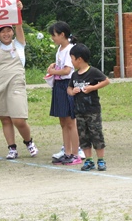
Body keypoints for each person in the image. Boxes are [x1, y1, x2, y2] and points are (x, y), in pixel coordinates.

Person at [0, 1, 38, 159]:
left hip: (16, 83)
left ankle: (29, 142)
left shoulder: (19, 45)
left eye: (9, 30)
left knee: (18, 118)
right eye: (2, 31)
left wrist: (18, 12)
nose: (6, 34)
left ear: (12, 32)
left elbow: (20, 27)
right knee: (5, 118)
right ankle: (11, 148)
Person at [67, 43, 110, 171]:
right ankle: (89, 160)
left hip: (93, 111)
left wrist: (93, 87)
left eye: (72, 59)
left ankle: (101, 160)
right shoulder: (74, 75)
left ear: (79, 59)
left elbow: (106, 81)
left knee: (96, 134)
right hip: (79, 112)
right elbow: (68, 88)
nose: (71, 61)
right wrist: (72, 91)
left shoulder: (93, 72)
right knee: (83, 136)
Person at [47, 21, 83, 165]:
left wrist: (53, 72)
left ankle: (75, 153)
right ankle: (67, 152)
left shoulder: (70, 49)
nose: (52, 38)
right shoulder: (60, 49)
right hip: (58, 86)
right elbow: (60, 66)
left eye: (54, 35)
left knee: (70, 122)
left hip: (67, 85)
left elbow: (67, 70)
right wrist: (53, 67)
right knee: (63, 121)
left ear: (62, 35)